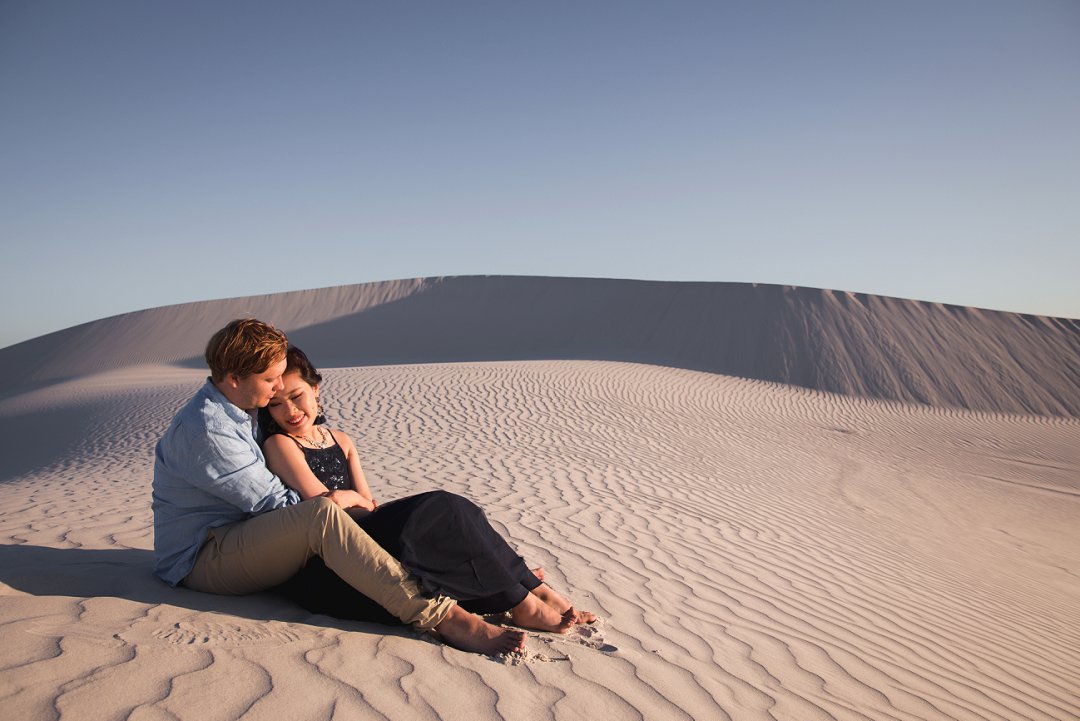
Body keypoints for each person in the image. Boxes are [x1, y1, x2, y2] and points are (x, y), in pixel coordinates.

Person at [151, 318, 524, 655]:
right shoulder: (208, 430)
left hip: (243, 535)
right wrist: (336, 496)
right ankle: (442, 617)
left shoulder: (241, 404)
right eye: (270, 380)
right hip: (203, 556)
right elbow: (274, 504)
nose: (279, 387)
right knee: (321, 517)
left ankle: (495, 578)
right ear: (233, 378)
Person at [260, 345, 597, 633]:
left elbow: (369, 503)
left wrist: (356, 499)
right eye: (276, 404)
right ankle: (524, 603)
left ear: (315, 388)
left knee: (461, 511)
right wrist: (355, 499)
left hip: (367, 528)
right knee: (442, 507)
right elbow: (324, 504)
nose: (290, 411)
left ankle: (540, 592)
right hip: (340, 551)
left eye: (296, 396)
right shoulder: (280, 444)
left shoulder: (342, 440)